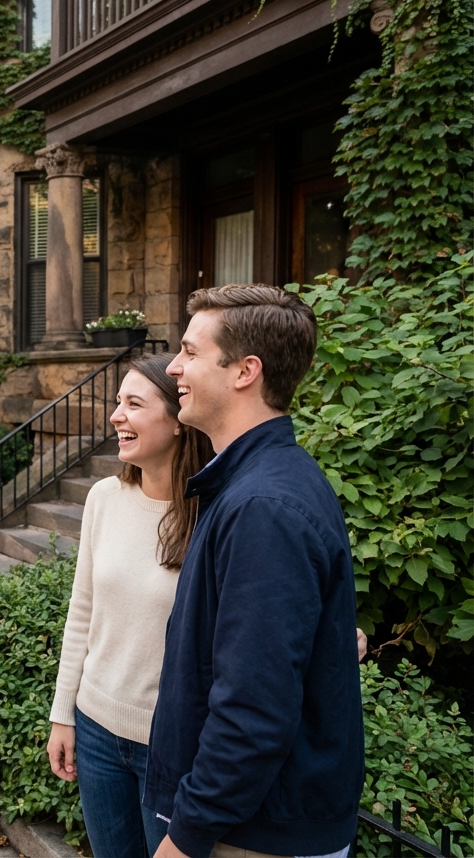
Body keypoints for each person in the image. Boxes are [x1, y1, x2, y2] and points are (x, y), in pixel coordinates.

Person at [146, 285, 363, 858]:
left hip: (252, 837)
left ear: (245, 371)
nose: (174, 368)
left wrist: (187, 837)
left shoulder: (265, 506)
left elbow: (254, 709)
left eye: (190, 352)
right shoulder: (254, 484)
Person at [47, 354, 214, 858]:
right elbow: (83, 613)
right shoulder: (104, 497)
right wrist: (63, 715)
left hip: (171, 746)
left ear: (179, 420)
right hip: (96, 730)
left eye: (134, 404)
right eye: (118, 402)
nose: (116, 415)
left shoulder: (216, 513)